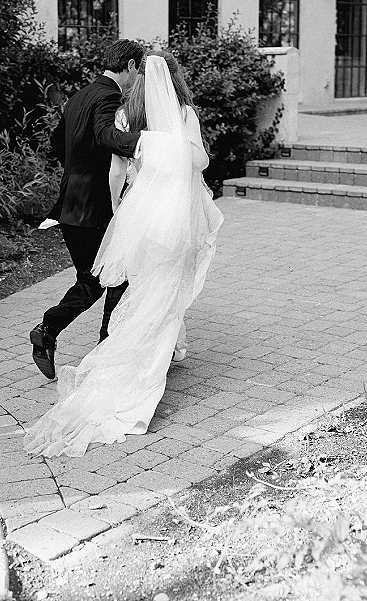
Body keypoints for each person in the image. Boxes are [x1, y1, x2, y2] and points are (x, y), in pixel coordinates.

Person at [24, 50, 223, 458]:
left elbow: (88, 158)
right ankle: (120, 355)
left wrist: (119, 214)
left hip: (118, 212)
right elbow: (199, 161)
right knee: (143, 289)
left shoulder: (114, 111)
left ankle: (112, 347)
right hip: (168, 219)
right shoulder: (180, 116)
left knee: (120, 283)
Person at [29, 39, 145, 380]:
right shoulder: (109, 96)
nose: (137, 78)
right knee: (117, 277)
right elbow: (105, 135)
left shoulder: (79, 96)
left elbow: (56, 143)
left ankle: (48, 330)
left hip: (69, 207)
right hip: (94, 208)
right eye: (137, 71)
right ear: (132, 66)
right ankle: (107, 349)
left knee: (92, 280)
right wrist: (145, 142)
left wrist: (79, 166)